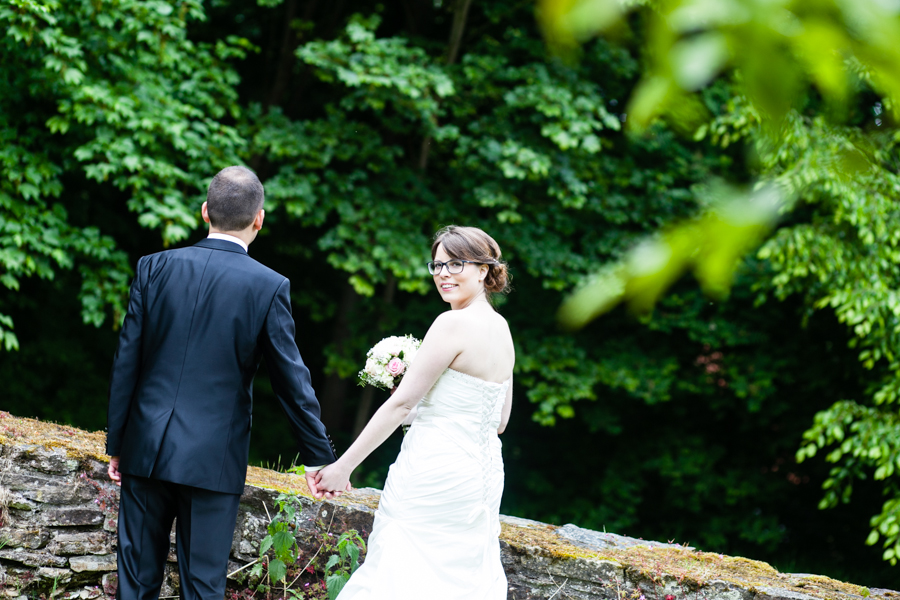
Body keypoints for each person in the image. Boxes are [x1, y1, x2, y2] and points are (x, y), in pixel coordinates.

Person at [105, 166, 340, 600]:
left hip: (145, 448)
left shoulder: (154, 267)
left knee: (135, 585)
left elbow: (127, 362)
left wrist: (118, 441)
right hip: (212, 459)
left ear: (204, 211)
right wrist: (317, 457)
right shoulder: (268, 286)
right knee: (202, 588)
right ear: (259, 220)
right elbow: (290, 378)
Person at [316, 225, 515, 599]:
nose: (443, 274)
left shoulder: (451, 323)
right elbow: (499, 421)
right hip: (481, 478)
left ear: (484, 270)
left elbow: (402, 405)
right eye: (437, 265)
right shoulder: (502, 330)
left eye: (456, 264)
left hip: (434, 470)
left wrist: (343, 467)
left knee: (402, 572)